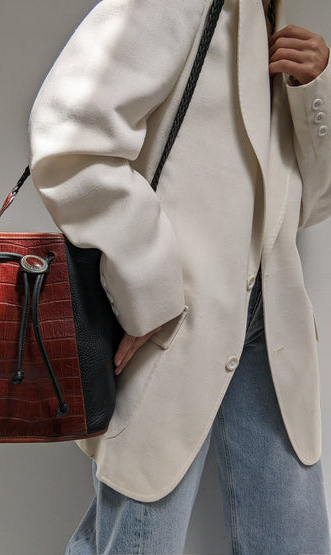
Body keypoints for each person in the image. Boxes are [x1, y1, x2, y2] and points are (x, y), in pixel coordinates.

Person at [27, 0, 331, 552]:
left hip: (272, 320)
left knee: (294, 539)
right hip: (174, 318)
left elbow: (313, 204)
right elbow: (71, 138)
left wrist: (315, 90)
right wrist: (148, 288)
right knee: (138, 537)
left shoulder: (275, 17)